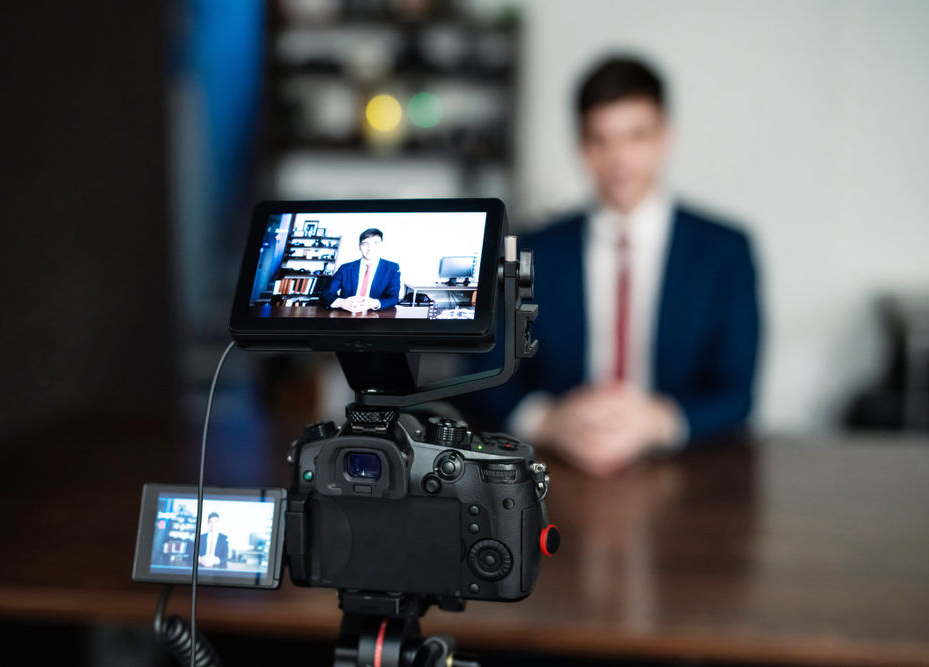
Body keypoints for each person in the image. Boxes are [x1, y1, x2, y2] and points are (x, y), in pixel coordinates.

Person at [470, 56, 760, 477]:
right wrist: (548, 421)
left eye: (636, 136)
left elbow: (737, 393)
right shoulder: (532, 247)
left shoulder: (726, 251)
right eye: (600, 140)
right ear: (581, 147)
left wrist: (658, 422)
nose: (619, 159)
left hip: (688, 472)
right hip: (555, 472)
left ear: (666, 136)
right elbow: (484, 370)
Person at [322, 228, 401, 313]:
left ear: (381, 245)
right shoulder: (345, 268)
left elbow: (393, 297)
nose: (370, 248)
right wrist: (341, 303)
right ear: (359, 246)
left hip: (375, 315)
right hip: (347, 314)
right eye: (365, 244)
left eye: (375, 243)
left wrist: (374, 303)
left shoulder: (392, 268)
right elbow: (327, 293)